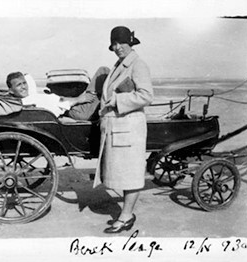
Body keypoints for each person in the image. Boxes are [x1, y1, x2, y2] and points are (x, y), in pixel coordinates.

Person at [93, 26, 154, 233]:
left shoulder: (138, 65)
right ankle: (126, 214)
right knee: (124, 173)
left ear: (131, 43)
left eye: (121, 43)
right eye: (114, 44)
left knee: (132, 174)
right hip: (120, 126)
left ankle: (126, 216)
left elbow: (146, 96)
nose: (117, 47)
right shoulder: (120, 64)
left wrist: (117, 100)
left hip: (130, 128)